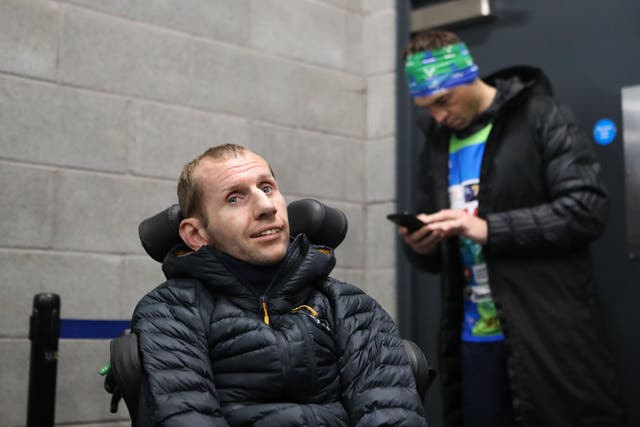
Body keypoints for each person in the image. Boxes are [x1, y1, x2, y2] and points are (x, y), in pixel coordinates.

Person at [398, 29, 624, 427]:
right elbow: (439, 256)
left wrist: (488, 229)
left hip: (548, 333)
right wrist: (422, 244)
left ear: (468, 75)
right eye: (426, 107)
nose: (437, 116)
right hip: (472, 339)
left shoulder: (542, 115)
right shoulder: (436, 143)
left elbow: (587, 209)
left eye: (443, 101)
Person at [131, 144, 428, 426]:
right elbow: (184, 417)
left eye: (267, 188)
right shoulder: (170, 312)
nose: (265, 206)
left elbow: (390, 413)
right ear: (196, 234)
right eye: (234, 198)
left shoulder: (351, 307)